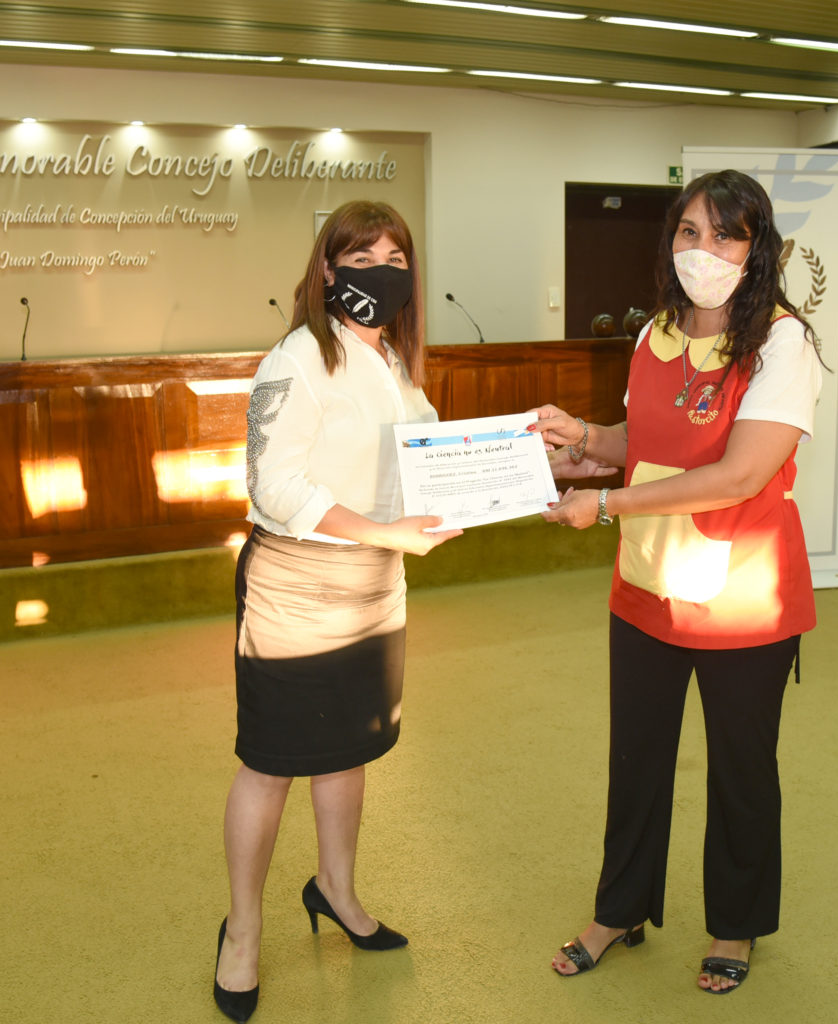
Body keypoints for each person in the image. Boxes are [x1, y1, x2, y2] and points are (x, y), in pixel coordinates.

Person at [532, 169, 823, 994]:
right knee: (635, 761)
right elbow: (647, 439)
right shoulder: (654, 333)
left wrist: (605, 502)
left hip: (741, 598)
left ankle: (735, 924)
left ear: (756, 248)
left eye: (725, 235)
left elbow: (738, 474)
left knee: (739, 769)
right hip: (646, 587)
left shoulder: (782, 343)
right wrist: (583, 439)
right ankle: (618, 909)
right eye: (689, 231)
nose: (703, 250)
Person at [213, 200, 461, 1022]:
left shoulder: (392, 360)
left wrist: (526, 456)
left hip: (374, 587)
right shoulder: (297, 357)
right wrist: (385, 532)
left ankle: (336, 891)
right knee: (272, 761)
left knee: (347, 751)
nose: (380, 274)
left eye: (395, 259)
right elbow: (275, 485)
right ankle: (242, 931)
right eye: (360, 259)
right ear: (326, 270)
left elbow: (426, 455)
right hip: (296, 588)